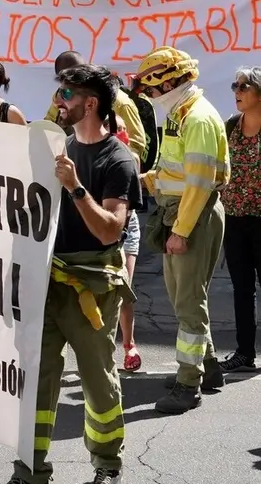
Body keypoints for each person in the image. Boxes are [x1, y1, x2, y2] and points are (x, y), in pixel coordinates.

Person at [9, 64, 138, 484]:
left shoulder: (117, 158)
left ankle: (107, 463)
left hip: (91, 287)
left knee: (96, 379)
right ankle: (30, 469)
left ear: (91, 103)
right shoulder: (57, 146)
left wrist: (77, 188)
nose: (59, 102)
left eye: (67, 95)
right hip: (48, 281)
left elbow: (109, 230)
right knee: (37, 377)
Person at [134, 47, 229, 414]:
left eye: (153, 88)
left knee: (188, 301)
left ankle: (188, 384)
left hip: (194, 215)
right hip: (180, 212)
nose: (150, 95)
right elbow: (174, 170)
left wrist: (182, 231)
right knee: (184, 298)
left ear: (170, 82)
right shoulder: (180, 113)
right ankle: (209, 368)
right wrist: (145, 179)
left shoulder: (198, 118)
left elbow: (199, 184)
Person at [47, 51, 148, 371]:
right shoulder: (66, 116)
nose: (60, 96)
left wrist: (98, 175)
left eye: (67, 88)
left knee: (122, 291)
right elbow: (49, 132)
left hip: (115, 214)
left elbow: (137, 149)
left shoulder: (119, 108)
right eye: (59, 86)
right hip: (72, 236)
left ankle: (127, 345)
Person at [220, 66, 261, 374]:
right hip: (234, 219)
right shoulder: (231, 126)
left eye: (244, 86)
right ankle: (244, 352)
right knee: (242, 288)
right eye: (235, 85)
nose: (237, 91)